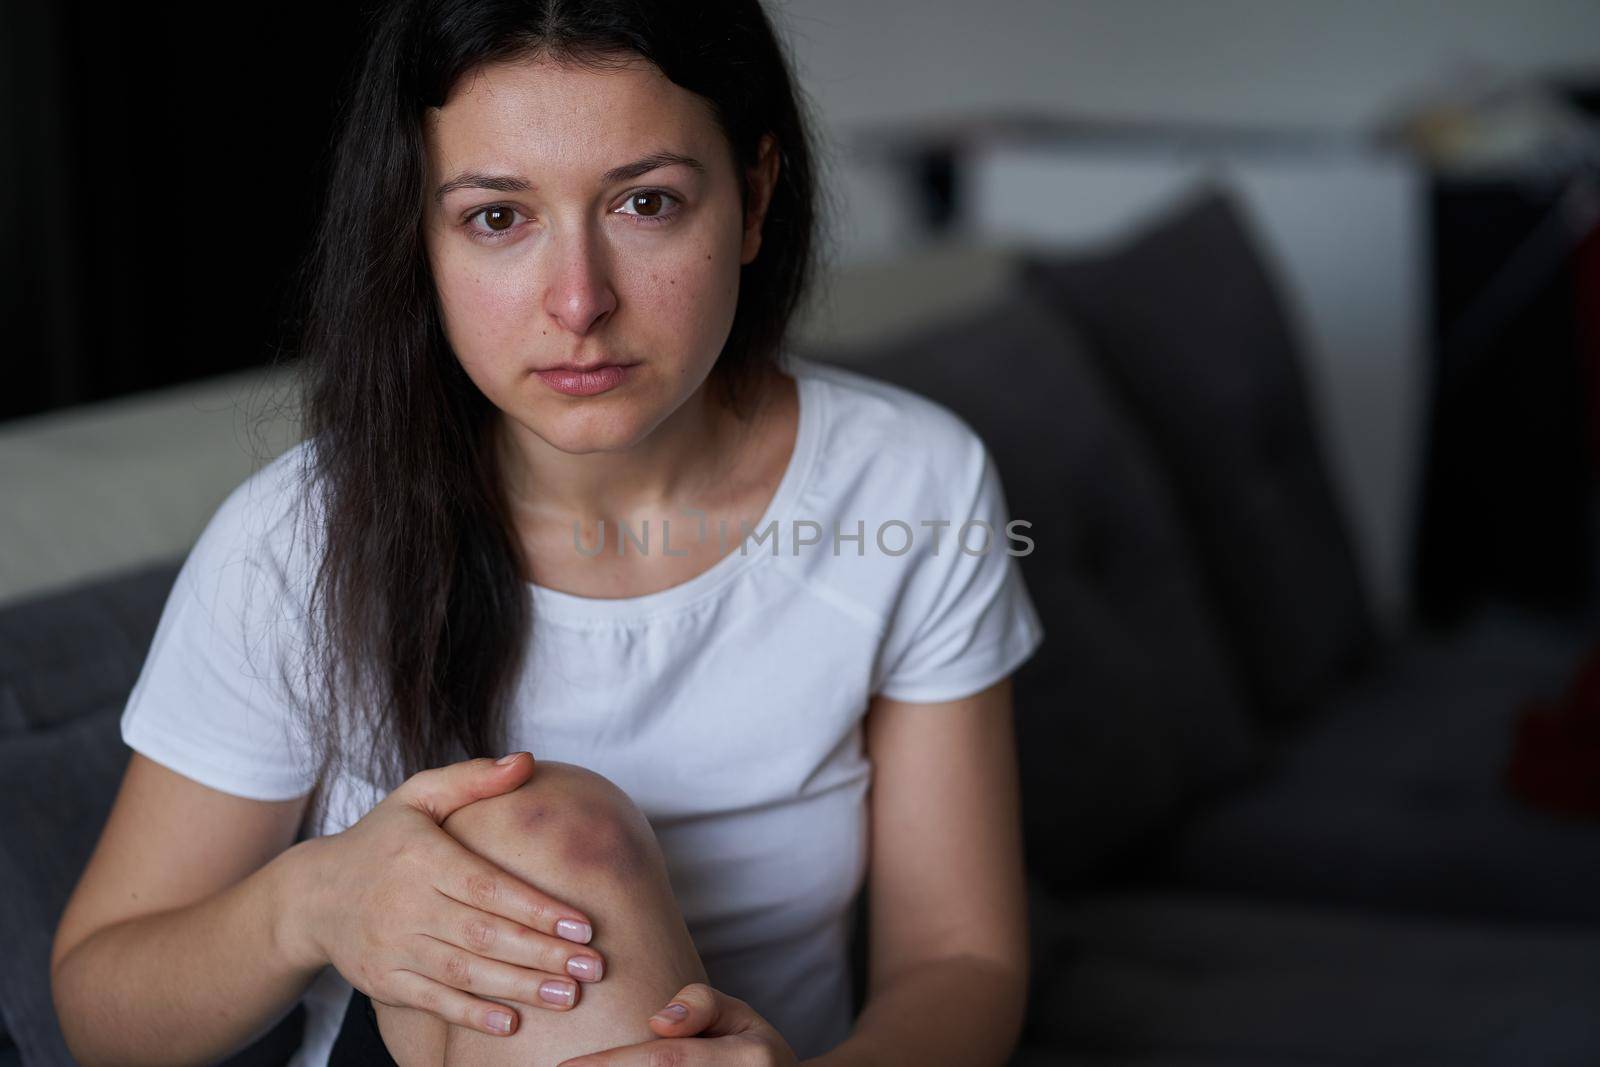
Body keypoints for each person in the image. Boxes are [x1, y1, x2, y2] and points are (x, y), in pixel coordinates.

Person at [48, 1, 1045, 1065]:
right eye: (495, 217)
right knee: (538, 825)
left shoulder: (909, 483)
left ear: (753, 198)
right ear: (417, 232)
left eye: (646, 202)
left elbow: (958, 958)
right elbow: (101, 1010)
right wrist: (313, 899)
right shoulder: (299, 541)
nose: (578, 300)